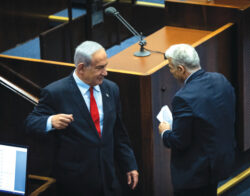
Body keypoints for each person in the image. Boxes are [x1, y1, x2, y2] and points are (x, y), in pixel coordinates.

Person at [25, 41, 139, 196]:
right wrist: (50, 121)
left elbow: (119, 132)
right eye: (100, 68)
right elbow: (31, 123)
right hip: (75, 183)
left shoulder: (111, 89)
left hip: (108, 179)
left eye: (106, 66)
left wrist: (129, 164)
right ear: (81, 68)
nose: (106, 72)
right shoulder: (56, 92)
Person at [158, 44, 236, 196]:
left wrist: (165, 132)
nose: (171, 72)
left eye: (170, 68)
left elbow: (179, 141)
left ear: (181, 69)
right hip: (220, 161)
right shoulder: (221, 80)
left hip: (196, 173)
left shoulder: (183, 98)